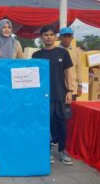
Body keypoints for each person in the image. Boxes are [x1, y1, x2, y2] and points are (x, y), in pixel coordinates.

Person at [32, 25, 74, 165]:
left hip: (61, 94)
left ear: (56, 37)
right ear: (41, 37)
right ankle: (47, 150)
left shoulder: (63, 53)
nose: (49, 37)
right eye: (45, 35)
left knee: (62, 124)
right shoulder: (36, 55)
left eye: (51, 34)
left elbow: (69, 73)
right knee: (45, 124)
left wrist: (70, 91)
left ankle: (62, 151)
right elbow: (33, 77)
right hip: (44, 97)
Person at [58, 27, 82, 101]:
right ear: (60, 37)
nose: (67, 38)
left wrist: (80, 85)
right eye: (64, 36)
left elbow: (78, 69)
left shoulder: (76, 52)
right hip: (59, 87)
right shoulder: (55, 51)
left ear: (72, 38)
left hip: (73, 87)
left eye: (69, 36)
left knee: (71, 110)